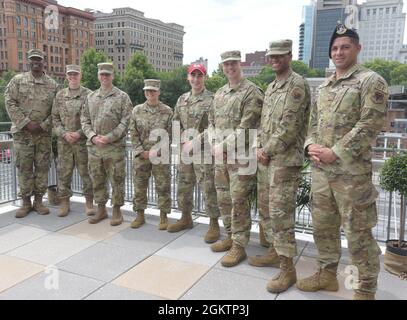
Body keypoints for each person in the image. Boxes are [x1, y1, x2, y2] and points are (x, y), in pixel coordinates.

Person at [296, 24, 388, 300]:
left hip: (351, 176)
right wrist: (309, 144)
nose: (339, 52)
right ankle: (327, 275)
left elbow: (370, 124)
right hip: (321, 173)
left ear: (357, 48)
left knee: (358, 234)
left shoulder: (371, 81)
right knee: (323, 227)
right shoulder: (324, 85)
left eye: (345, 46)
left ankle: (365, 288)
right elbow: (312, 123)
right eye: (335, 48)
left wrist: (335, 151)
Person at [248, 40, 311, 293]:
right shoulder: (272, 87)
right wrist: (258, 148)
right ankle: (275, 252)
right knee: (266, 209)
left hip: (284, 162)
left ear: (289, 55)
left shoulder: (297, 85)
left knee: (281, 215)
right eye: (271, 56)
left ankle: (288, 270)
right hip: (266, 160)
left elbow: (290, 125)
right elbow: (265, 124)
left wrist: (266, 150)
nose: (274, 60)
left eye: (279, 56)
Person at [209, 50, 264, 267]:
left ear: (239, 64)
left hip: (241, 158)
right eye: (226, 64)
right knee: (224, 199)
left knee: (239, 201)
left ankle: (239, 246)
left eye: (233, 64)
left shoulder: (251, 92)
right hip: (221, 157)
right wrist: (215, 145)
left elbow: (247, 127)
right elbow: (212, 122)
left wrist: (223, 146)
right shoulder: (220, 93)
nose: (230, 68)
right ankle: (230, 236)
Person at [168, 63, 221, 243]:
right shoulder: (182, 99)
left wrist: (194, 142)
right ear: (188, 78)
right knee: (183, 185)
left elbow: (214, 127)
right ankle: (185, 217)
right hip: (185, 151)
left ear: (204, 78)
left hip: (204, 152)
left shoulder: (212, 99)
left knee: (208, 188)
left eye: (199, 76)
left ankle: (213, 224)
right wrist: (180, 140)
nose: (196, 79)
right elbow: (175, 122)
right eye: (193, 75)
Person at [5, 49, 59, 218]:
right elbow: (10, 102)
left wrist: (43, 125)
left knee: (42, 168)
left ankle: (38, 201)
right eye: (32, 60)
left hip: (43, 135)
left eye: (39, 60)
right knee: (24, 168)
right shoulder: (17, 81)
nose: (36, 62)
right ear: (28, 62)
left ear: (44, 63)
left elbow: (57, 111)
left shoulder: (53, 84)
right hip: (23, 135)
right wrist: (26, 123)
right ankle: (26, 203)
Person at [81, 63, 132, 226]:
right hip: (95, 147)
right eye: (102, 74)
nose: (104, 77)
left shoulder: (122, 97)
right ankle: (101, 209)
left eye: (107, 75)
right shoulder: (91, 97)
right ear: (98, 76)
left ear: (112, 76)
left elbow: (126, 120)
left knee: (116, 179)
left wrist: (110, 137)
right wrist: (92, 136)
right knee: (97, 179)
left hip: (114, 148)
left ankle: (117, 210)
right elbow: (84, 119)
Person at [129, 79, 172, 230]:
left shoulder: (167, 111)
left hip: (160, 156)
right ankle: (140, 215)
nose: (149, 93)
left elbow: (171, 134)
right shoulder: (137, 110)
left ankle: (163, 216)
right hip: (142, 156)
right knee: (139, 186)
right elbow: (133, 133)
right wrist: (141, 151)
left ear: (158, 92)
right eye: (147, 91)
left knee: (163, 186)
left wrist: (158, 150)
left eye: (153, 91)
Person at [52, 65, 94, 217]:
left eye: (75, 74)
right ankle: (64, 202)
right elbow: (55, 119)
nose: (73, 77)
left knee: (86, 173)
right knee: (64, 173)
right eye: (70, 74)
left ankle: (89, 202)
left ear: (80, 75)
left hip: (82, 143)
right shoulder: (60, 95)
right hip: (64, 143)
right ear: (66, 76)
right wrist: (64, 134)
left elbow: (92, 120)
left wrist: (79, 133)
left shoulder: (89, 94)